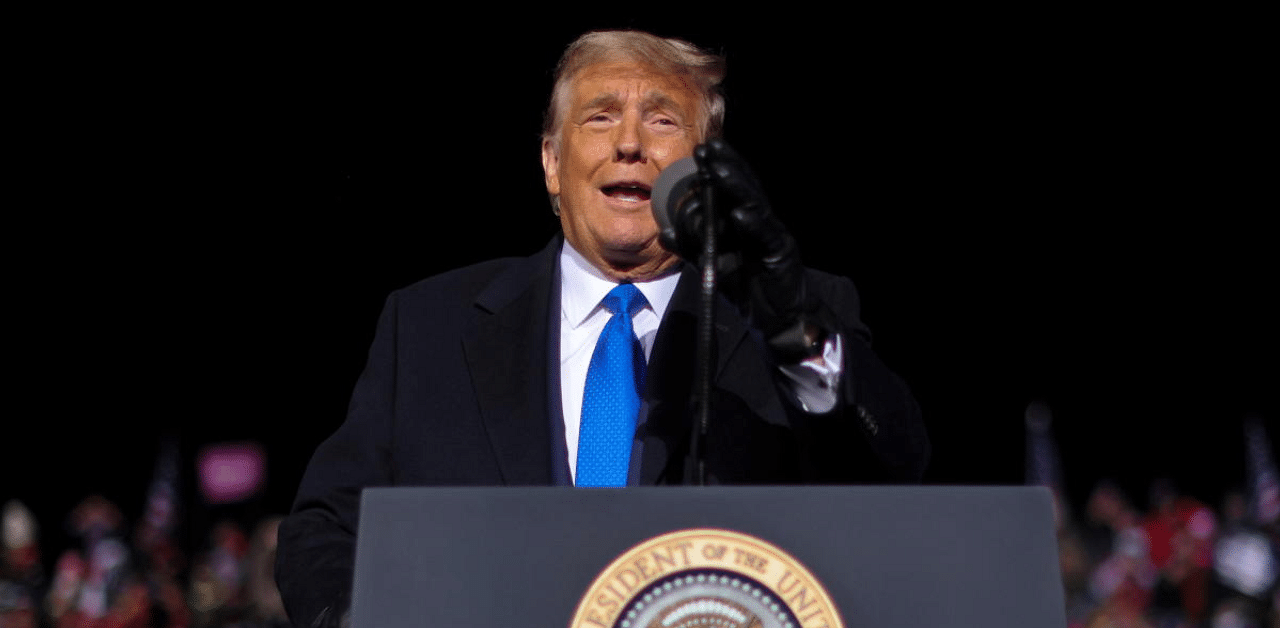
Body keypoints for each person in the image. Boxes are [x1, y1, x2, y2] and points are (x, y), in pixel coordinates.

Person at [276, 28, 930, 627]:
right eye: (601, 116)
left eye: (662, 119)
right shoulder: (427, 328)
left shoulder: (791, 316)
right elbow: (326, 527)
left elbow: (895, 479)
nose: (629, 142)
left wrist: (795, 328)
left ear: (706, 168)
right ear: (552, 163)